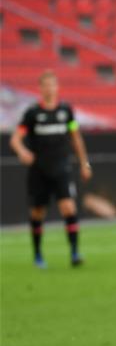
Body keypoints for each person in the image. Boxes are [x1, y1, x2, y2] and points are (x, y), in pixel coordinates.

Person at [10, 70, 92, 268]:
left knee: (68, 208)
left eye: (52, 85)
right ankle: (38, 254)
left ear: (57, 87)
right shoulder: (33, 114)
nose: (49, 89)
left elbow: (76, 137)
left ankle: (74, 253)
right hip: (39, 170)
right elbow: (15, 139)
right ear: (41, 88)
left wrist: (84, 163)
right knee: (38, 213)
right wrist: (22, 152)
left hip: (62, 168)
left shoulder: (66, 112)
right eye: (45, 85)